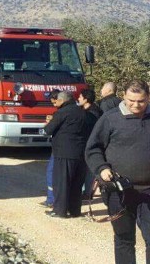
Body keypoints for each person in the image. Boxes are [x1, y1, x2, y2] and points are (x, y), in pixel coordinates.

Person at [86, 80, 150, 264]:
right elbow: (93, 149)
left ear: (148, 98)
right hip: (119, 191)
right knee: (124, 239)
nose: (136, 105)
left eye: (141, 101)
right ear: (123, 96)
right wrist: (102, 168)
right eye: (131, 100)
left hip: (148, 191)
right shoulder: (110, 119)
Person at [44, 90, 88, 218]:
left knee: (61, 182)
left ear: (62, 100)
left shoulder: (62, 112)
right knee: (76, 183)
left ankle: (59, 210)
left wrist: (48, 122)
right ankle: (75, 210)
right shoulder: (83, 112)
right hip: (80, 152)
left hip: (64, 152)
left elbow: (48, 130)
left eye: (57, 100)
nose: (55, 103)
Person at [78, 88, 103, 200]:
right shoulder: (84, 110)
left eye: (80, 97)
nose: (78, 99)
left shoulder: (93, 113)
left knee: (89, 170)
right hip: (84, 144)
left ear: (86, 99)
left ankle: (87, 193)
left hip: (90, 144)